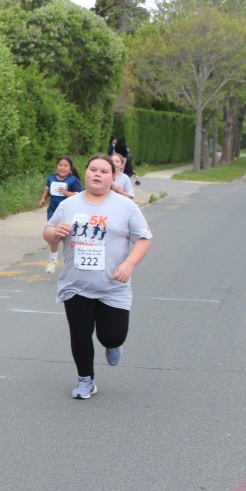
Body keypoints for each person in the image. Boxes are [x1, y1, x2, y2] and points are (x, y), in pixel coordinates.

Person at [42, 154, 153, 399]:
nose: (97, 174)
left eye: (104, 171)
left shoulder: (125, 206)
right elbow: (48, 232)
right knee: (80, 335)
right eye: (93, 169)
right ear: (86, 172)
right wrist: (55, 233)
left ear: (112, 177)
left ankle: (113, 345)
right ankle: (85, 380)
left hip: (113, 285)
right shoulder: (69, 205)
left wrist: (129, 264)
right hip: (76, 284)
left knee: (111, 335)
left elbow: (144, 239)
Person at [39, 156, 82, 273]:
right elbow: (47, 189)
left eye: (65, 166)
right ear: (56, 166)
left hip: (68, 212)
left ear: (70, 169)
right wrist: (43, 198)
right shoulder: (51, 178)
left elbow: (79, 196)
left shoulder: (73, 180)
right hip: (53, 211)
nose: (62, 168)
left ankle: (72, 260)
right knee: (55, 236)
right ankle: (52, 261)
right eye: (60, 165)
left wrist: (66, 192)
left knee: (69, 238)